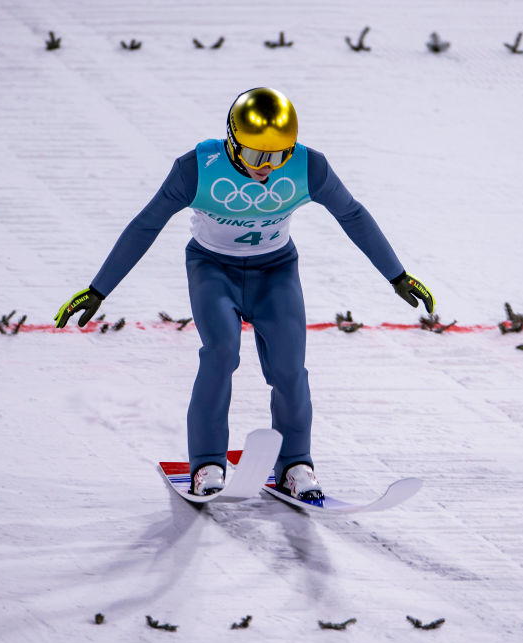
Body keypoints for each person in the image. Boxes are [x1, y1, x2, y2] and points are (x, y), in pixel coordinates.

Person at [55, 87, 434, 500]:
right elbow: (146, 225)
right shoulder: (196, 169)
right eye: (257, 156)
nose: (267, 168)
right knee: (221, 354)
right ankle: (207, 462)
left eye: (280, 155)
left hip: (276, 271)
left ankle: (295, 463)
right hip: (213, 269)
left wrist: (397, 274)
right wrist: (99, 289)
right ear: (233, 141)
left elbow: (352, 214)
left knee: (290, 368)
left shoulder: (310, 167)